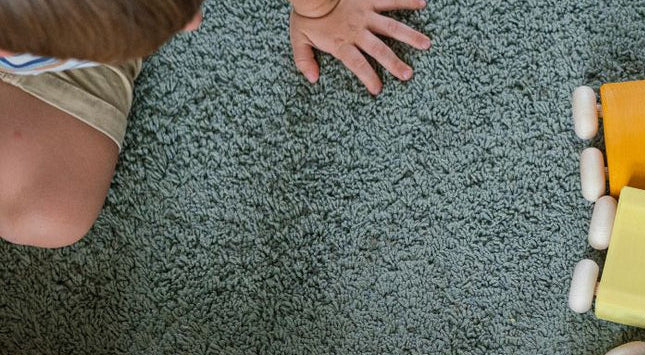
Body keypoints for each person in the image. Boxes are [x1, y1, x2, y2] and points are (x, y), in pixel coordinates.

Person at [0, 0, 430, 248]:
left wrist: (321, 9)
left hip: (71, 48)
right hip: (44, 37)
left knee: (52, 213)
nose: (196, 24)